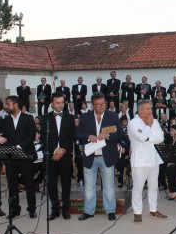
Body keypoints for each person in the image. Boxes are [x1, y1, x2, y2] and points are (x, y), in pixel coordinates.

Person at [75, 92, 125, 221]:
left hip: (106, 156)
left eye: (103, 104)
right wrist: (88, 136)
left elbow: (120, 134)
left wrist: (107, 136)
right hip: (90, 156)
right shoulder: (85, 117)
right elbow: (77, 133)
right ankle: (88, 211)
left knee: (109, 185)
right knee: (89, 186)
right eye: (98, 104)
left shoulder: (113, 116)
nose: (101, 106)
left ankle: (110, 210)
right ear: (93, 105)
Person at [127, 100, 167, 223]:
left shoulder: (155, 121)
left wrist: (149, 136)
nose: (151, 111)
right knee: (138, 188)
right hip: (140, 161)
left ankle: (153, 210)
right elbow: (142, 137)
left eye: (151, 108)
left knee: (153, 186)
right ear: (140, 110)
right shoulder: (133, 123)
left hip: (154, 159)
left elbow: (161, 137)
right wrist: (149, 127)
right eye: (148, 109)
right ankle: (137, 213)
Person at [41, 92, 76, 220]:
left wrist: (63, 150)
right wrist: (55, 150)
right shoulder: (45, 118)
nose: (60, 105)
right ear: (51, 104)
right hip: (51, 156)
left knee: (66, 183)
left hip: (65, 156)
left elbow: (71, 136)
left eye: (62, 102)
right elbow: (43, 138)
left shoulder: (69, 117)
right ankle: (55, 209)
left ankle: (65, 209)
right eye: (57, 102)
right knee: (51, 184)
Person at [3, 95, 37, 218]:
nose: (5, 106)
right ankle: (14, 210)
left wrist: (19, 147)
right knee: (12, 185)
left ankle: (32, 209)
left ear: (15, 104)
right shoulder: (5, 120)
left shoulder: (28, 118)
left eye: (8, 104)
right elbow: (4, 137)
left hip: (26, 156)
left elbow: (31, 135)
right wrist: (11, 148)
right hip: (11, 157)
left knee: (29, 183)